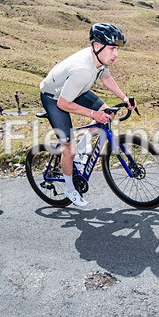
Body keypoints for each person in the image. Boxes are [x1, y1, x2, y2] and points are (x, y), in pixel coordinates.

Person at [39, 22, 136, 207]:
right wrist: (92, 114)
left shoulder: (99, 59)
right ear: (97, 45)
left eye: (117, 49)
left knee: (107, 114)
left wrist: (124, 98)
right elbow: (63, 104)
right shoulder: (82, 69)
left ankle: (82, 147)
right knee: (69, 149)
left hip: (76, 89)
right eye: (112, 49)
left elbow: (106, 77)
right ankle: (70, 189)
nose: (116, 54)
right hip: (54, 97)